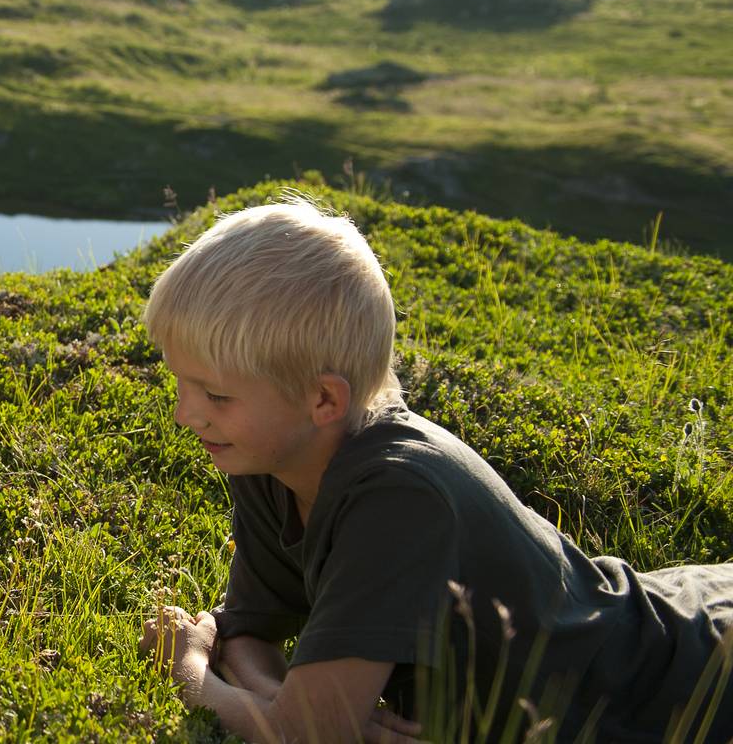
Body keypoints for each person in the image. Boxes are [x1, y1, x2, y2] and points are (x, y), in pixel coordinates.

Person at [134, 199, 732, 743]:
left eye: (215, 395)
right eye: (182, 383)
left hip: (678, 679)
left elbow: (303, 731)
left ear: (323, 400)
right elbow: (247, 632)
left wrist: (188, 670)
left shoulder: (398, 497)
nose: (186, 414)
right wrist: (288, 702)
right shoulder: (270, 459)